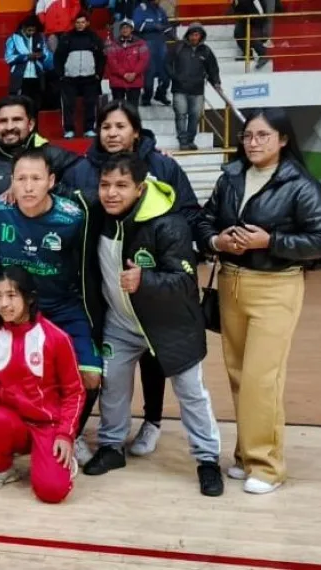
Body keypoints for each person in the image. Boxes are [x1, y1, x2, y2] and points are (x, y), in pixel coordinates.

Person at [198, 108, 321, 494]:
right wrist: (216, 242)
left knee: (262, 379)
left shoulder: (300, 184)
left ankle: (268, 465)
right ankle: (246, 455)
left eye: (262, 135)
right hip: (231, 283)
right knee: (240, 376)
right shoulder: (232, 177)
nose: (253, 143)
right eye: (247, 136)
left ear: (283, 140)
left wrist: (270, 241)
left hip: (276, 286)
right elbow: (206, 220)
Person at [60, 100, 200, 463]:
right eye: (106, 126)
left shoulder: (163, 165)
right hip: (106, 287)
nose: (112, 133)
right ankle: (106, 439)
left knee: (156, 362)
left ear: (135, 132)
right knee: (112, 368)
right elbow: (57, 196)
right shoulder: (80, 169)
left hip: (152, 288)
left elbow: (186, 213)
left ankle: (153, 421)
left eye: (120, 126)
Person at [82, 153, 224, 498]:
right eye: (105, 185)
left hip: (171, 325)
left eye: (121, 186)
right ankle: (112, 447)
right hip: (121, 323)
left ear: (140, 188)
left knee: (191, 392)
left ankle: (207, 461)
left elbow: (185, 280)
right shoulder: (97, 214)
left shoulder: (169, 224)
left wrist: (145, 280)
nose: (111, 193)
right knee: (113, 385)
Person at [0, 147, 102, 453]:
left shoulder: (72, 218)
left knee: (91, 377)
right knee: (2, 376)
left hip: (63, 306)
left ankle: (72, 434)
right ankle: (11, 434)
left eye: (36, 178)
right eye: (21, 179)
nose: (28, 187)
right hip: (14, 311)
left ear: (51, 181)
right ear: (11, 182)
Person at [0, 267, 84, 501]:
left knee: (52, 492)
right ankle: (3, 467)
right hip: (11, 422)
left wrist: (65, 434)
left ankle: (50, 459)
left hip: (48, 425)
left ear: (29, 298)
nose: (3, 304)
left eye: (11, 296)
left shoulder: (56, 338)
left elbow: (75, 392)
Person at [167, 23, 221, 151]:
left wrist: (217, 83)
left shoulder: (206, 51)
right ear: (188, 34)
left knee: (195, 115)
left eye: (197, 35)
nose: (194, 37)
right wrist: (174, 77)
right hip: (179, 88)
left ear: (201, 36)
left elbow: (213, 69)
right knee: (180, 114)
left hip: (197, 90)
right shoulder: (178, 47)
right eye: (192, 34)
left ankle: (190, 140)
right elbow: (167, 64)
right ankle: (182, 141)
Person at [54, 12, 104, 139]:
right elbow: (58, 57)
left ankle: (89, 129)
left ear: (87, 23)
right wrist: (61, 74)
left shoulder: (94, 38)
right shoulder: (66, 38)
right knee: (68, 105)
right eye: (77, 22)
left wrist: (98, 74)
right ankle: (69, 130)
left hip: (90, 77)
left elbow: (101, 58)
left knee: (90, 103)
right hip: (70, 78)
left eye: (82, 22)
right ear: (74, 23)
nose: (80, 25)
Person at [5, 15, 52, 106]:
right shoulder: (13, 39)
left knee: (36, 106)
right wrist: (26, 57)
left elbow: (47, 55)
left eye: (33, 30)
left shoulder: (40, 38)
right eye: (29, 30)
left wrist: (41, 55)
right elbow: (8, 58)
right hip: (21, 78)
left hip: (37, 77)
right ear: (23, 28)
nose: (31, 33)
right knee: (20, 105)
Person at [133, 0, 171, 106]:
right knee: (149, 72)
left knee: (165, 73)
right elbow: (137, 26)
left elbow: (166, 26)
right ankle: (147, 96)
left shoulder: (161, 10)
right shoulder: (141, 8)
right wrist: (154, 26)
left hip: (161, 44)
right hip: (147, 43)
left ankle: (161, 93)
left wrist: (169, 30)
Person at [104, 19, 149, 106]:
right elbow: (111, 61)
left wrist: (134, 74)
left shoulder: (141, 44)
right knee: (118, 110)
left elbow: (143, 60)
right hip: (117, 82)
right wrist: (123, 74)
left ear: (132, 29)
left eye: (127, 27)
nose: (125, 30)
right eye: (123, 28)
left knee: (132, 111)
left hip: (135, 81)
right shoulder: (113, 44)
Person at [231, 0, 270, 70]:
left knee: (251, 37)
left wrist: (261, 17)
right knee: (238, 34)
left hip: (254, 17)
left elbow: (259, 5)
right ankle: (248, 54)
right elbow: (237, 8)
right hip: (243, 18)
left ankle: (263, 55)